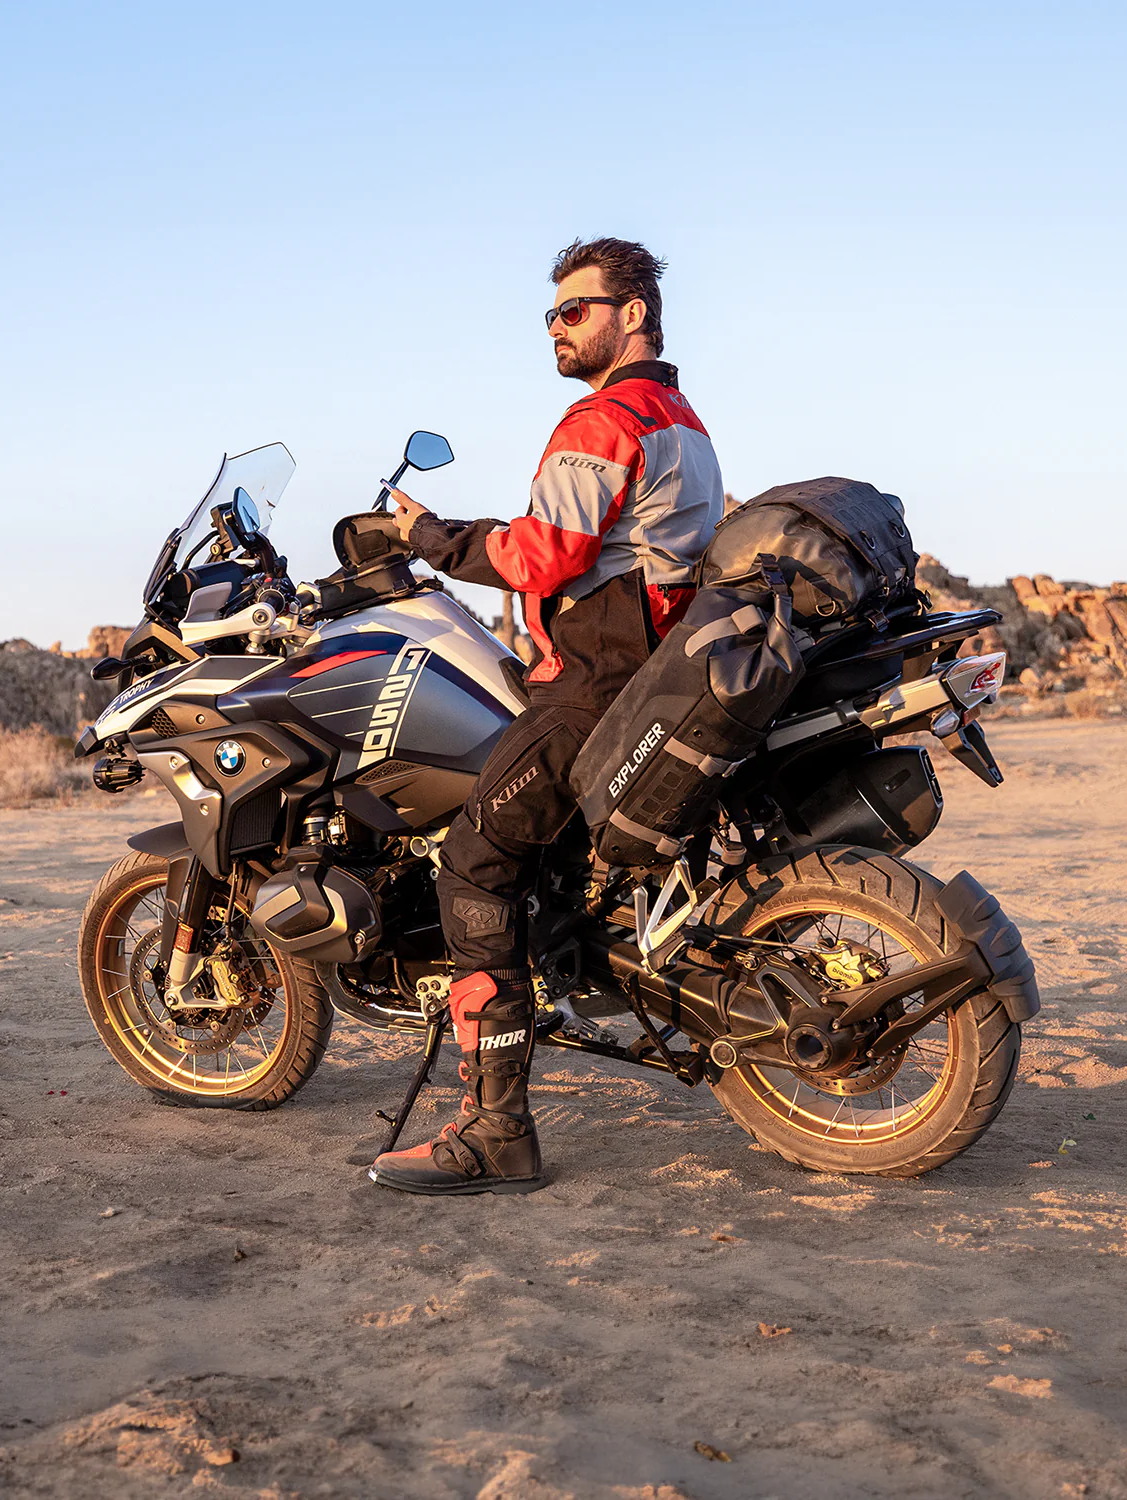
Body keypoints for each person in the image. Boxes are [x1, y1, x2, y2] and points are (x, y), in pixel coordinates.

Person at [368, 237, 724, 1196]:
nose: (556, 328)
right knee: (543, 853)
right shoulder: (684, 421)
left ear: (632, 315)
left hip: (594, 685)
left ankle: (496, 1130)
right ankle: (560, 983)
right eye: (551, 315)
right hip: (653, 675)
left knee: (474, 863)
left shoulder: (607, 417)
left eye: (574, 310)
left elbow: (539, 557)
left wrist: (428, 535)